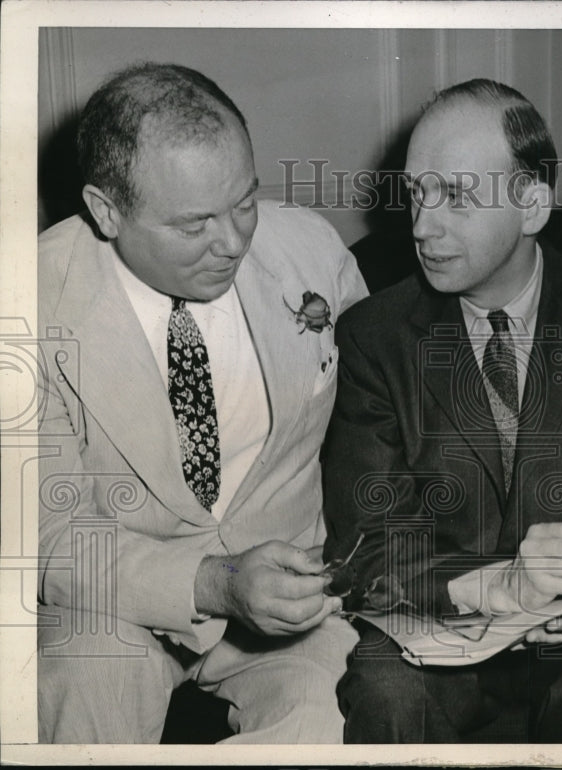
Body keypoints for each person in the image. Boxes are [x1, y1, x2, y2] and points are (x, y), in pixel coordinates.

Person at [322, 79, 562, 742]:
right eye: (417, 193)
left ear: (532, 203)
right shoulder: (372, 335)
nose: (422, 226)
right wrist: (498, 584)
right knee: (387, 690)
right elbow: (369, 541)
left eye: (455, 196)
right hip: (440, 618)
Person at [36, 63, 368, 743]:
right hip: (113, 606)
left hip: (293, 605)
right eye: (194, 225)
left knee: (342, 710)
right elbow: (46, 540)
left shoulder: (310, 250)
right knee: (85, 680)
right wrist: (213, 583)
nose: (234, 242)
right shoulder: (28, 306)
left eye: (244, 201)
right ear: (106, 211)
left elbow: (385, 411)